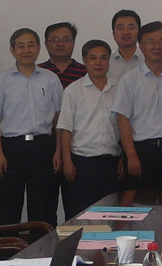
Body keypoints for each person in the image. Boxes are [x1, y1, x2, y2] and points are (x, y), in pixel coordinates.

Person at [0, 28, 62, 240]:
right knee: (8, 210)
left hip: (44, 149)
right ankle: (6, 256)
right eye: (21, 46)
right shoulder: (2, 80)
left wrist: (58, 151)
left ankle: (43, 255)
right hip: (11, 150)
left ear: (38, 48)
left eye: (31, 45)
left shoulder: (50, 79)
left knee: (43, 211)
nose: (26, 50)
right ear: (12, 50)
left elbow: (59, 118)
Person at [112, 21, 162, 190]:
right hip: (141, 151)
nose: (157, 46)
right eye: (151, 42)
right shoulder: (130, 79)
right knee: (139, 203)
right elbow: (122, 120)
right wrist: (131, 156)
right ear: (141, 47)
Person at [56, 40, 120, 218]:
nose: (98, 63)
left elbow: (123, 126)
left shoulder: (118, 88)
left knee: (109, 217)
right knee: (79, 216)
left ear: (109, 60)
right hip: (82, 164)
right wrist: (67, 161)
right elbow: (65, 129)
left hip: (111, 164)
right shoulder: (73, 90)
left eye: (103, 58)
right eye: (93, 58)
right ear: (84, 60)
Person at [38, 22, 86, 88]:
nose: (60, 44)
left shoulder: (86, 72)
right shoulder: (37, 71)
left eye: (66, 40)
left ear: (73, 44)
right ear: (46, 44)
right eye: (55, 40)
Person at [108, 10, 142, 82]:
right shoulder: (106, 64)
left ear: (139, 32)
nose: (126, 32)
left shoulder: (148, 62)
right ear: (113, 34)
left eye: (131, 27)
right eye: (120, 28)